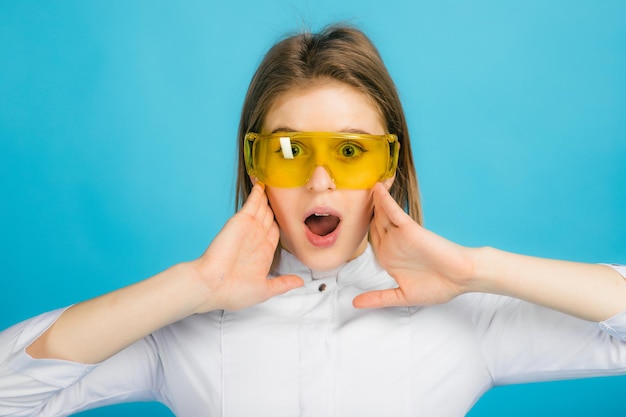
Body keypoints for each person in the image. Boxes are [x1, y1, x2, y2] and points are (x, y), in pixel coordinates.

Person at [1, 24, 625, 417]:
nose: (320, 180)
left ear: (389, 166)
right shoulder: (186, 330)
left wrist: (476, 268)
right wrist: (190, 287)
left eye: (351, 152)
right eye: (291, 151)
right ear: (256, 167)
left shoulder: (464, 319)